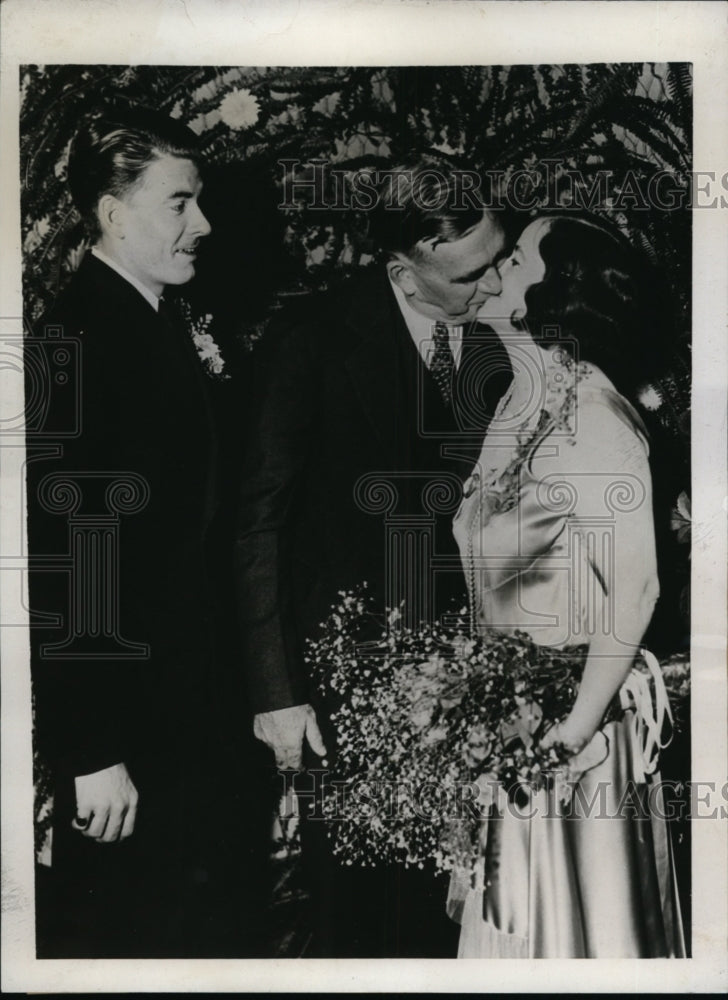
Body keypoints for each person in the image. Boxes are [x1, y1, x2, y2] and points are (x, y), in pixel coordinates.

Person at [235, 157, 511, 956]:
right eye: (470, 275)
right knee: (359, 919)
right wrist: (277, 691)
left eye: (500, 259)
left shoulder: (495, 347)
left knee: (453, 913)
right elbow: (257, 523)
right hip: (342, 687)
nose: (493, 287)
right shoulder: (308, 343)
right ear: (404, 268)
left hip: (470, 680)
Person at [26, 105, 265, 957]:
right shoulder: (77, 341)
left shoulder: (157, 320)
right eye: (179, 204)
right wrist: (92, 750)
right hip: (132, 731)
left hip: (190, 713)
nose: (203, 224)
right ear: (111, 210)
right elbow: (70, 558)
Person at [451, 213, 686, 957]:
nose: (490, 268)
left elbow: (637, 591)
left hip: (569, 742)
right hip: (512, 731)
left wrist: (571, 732)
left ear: (556, 291)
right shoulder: (519, 407)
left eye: (513, 258)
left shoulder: (594, 414)